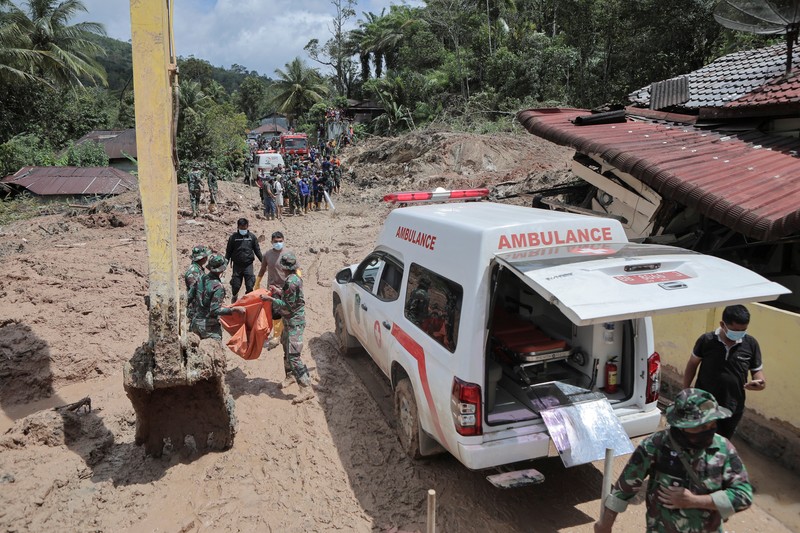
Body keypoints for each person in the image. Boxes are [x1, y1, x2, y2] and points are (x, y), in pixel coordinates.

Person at [594, 388, 753, 533]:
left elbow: (743, 496)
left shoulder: (723, 448)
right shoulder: (655, 445)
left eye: (712, 424)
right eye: (701, 426)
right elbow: (623, 490)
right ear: (682, 425)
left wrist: (695, 501)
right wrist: (605, 525)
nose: (709, 430)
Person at [682, 305, 766, 438]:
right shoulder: (707, 340)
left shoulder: (751, 344)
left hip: (732, 406)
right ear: (723, 324)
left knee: (721, 442)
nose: (739, 333)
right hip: (703, 404)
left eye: (743, 330)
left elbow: (757, 372)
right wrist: (686, 390)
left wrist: (760, 383)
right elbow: (692, 364)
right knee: (699, 439)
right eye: (735, 330)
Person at [260, 252, 314, 403]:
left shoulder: (291, 282)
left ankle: (306, 388)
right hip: (289, 321)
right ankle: (290, 375)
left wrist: (270, 299)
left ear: (283, 268)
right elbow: (288, 295)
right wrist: (277, 291)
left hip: (294, 322)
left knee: (294, 356)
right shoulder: (293, 278)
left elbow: (287, 306)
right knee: (285, 346)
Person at [189, 254, 245, 339]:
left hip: (194, 324)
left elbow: (189, 297)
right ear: (221, 270)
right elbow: (214, 310)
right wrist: (233, 310)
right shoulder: (218, 287)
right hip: (208, 329)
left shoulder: (200, 278)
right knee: (215, 350)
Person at [225, 218, 263, 303]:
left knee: (250, 285)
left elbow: (257, 251)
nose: (243, 229)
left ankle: (248, 302)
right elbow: (228, 252)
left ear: (247, 227)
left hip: (248, 265)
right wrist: (224, 265)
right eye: (241, 228)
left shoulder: (252, 237)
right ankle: (235, 296)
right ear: (238, 227)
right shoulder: (233, 238)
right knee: (236, 285)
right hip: (237, 265)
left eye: (245, 228)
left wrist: (264, 262)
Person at [184, 245, 210, 322]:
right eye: (205, 257)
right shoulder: (193, 271)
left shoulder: (198, 269)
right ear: (202, 258)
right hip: (195, 309)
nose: (206, 258)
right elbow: (195, 290)